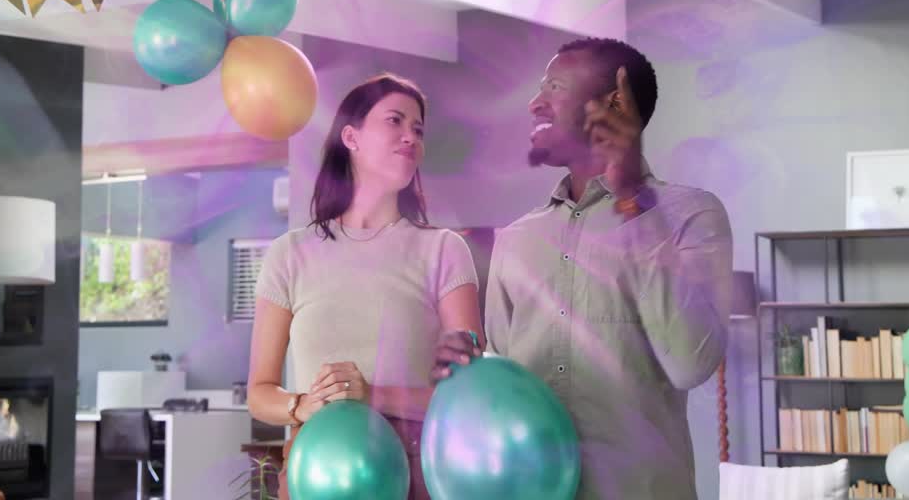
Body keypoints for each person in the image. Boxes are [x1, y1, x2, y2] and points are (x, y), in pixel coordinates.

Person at [431, 38, 733, 500]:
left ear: (614, 101)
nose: (535, 103)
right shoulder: (516, 240)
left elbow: (691, 363)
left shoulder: (692, 216)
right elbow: (508, 386)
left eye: (554, 86)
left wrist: (632, 201)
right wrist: (468, 371)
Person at [248, 73, 484, 500]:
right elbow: (260, 392)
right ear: (351, 137)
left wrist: (372, 395)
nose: (410, 136)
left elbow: (466, 396)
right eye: (395, 121)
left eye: (418, 129)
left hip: (412, 476)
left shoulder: (444, 251)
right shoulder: (290, 253)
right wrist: (300, 405)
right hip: (313, 476)